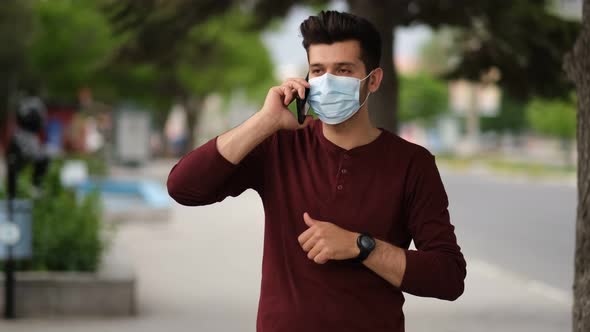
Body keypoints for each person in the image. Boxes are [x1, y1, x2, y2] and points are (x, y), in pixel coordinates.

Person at [167, 10, 466, 332]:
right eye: (318, 70)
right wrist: (264, 121)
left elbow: (448, 277)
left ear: (374, 80)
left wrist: (361, 246)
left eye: (343, 70)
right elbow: (184, 188)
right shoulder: (278, 145)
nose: (328, 82)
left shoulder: (412, 163)